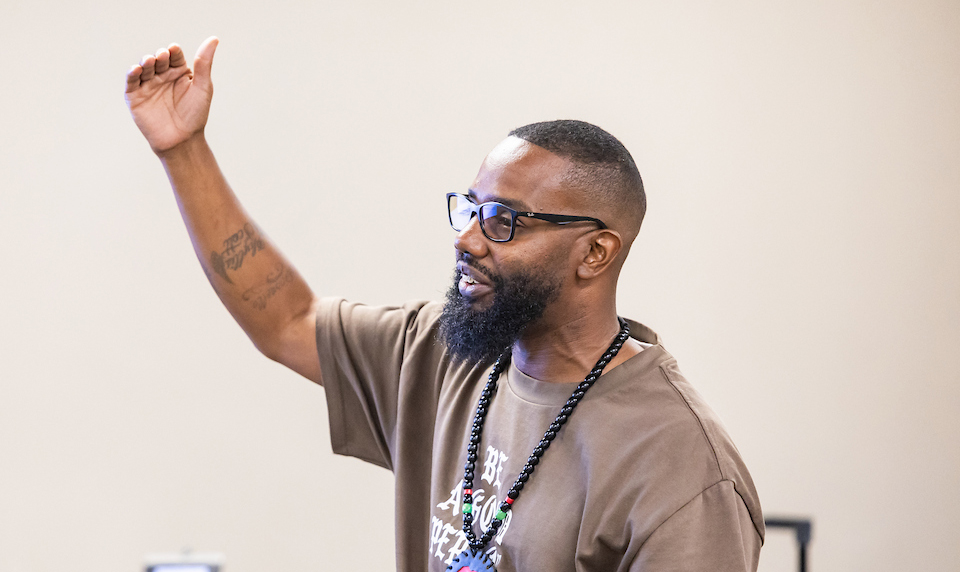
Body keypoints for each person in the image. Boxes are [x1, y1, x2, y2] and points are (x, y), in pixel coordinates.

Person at [125, 38, 764, 572]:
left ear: (595, 253)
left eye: (504, 221)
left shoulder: (682, 470)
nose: (467, 239)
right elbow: (287, 319)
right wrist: (183, 150)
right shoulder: (447, 354)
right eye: (470, 209)